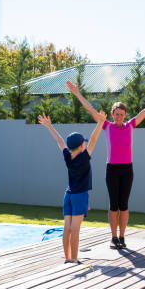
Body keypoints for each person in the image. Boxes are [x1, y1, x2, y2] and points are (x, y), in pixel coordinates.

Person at [67, 79, 145, 249]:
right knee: (113, 205)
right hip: (112, 170)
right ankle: (113, 237)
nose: (119, 117)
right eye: (116, 114)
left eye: (122, 114)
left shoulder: (130, 125)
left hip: (127, 169)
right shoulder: (107, 126)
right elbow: (91, 109)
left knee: (124, 205)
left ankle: (122, 237)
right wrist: (78, 93)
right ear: (112, 114)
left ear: (125, 115)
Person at [37, 110, 106, 263]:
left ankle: (68, 258)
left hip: (68, 195)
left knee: (67, 228)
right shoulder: (84, 157)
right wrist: (100, 122)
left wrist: (49, 126)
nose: (87, 144)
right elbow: (94, 140)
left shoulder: (68, 157)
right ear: (82, 145)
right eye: (85, 143)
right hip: (80, 196)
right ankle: (74, 259)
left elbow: (60, 141)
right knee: (75, 229)